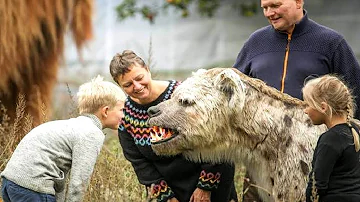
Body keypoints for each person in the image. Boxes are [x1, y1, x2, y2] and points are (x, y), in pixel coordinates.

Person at [233, 0, 360, 200]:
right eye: (264, 7)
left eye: (275, 5)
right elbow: (231, 96)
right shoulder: (255, 43)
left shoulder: (331, 43)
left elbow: (355, 99)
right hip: (259, 160)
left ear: (299, 1)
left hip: (315, 158)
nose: (269, 13)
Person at [109, 50, 238, 202]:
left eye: (139, 78)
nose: (137, 86)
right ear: (120, 86)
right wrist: (166, 197)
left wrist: (205, 187)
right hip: (171, 193)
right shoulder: (127, 119)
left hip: (212, 186)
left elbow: (217, 141)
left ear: (147, 70)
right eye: (128, 85)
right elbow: (141, 164)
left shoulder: (185, 95)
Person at [1, 75, 126, 202]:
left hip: (11, 183)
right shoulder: (91, 133)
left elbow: (60, 177)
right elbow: (79, 184)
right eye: (122, 109)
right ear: (105, 111)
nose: (124, 114)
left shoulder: (71, 126)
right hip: (33, 188)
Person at [302, 75, 360, 201]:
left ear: (323, 107)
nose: (305, 111)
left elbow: (317, 186)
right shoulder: (355, 131)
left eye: (307, 104)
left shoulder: (330, 139)